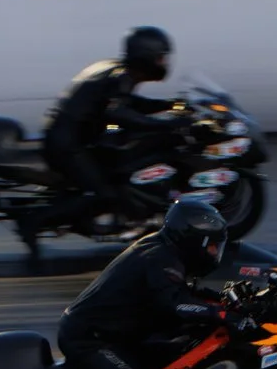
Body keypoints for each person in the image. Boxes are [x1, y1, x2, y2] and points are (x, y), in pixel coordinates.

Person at [47, 198, 235, 369]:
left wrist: (225, 300)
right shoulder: (158, 258)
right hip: (90, 340)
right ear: (193, 240)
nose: (214, 252)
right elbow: (176, 304)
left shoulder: (166, 251)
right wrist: (221, 314)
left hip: (115, 335)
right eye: (212, 245)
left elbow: (181, 293)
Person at [25, 26, 181, 248]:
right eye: (160, 58)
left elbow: (131, 103)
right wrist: (164, 124)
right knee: (103, 193)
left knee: (115, 174)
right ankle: (33, 222)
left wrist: (171, 105)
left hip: (74, 136)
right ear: (145, 57)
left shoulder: (119, 72)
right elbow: (118, 112)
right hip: (67, 143)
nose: (164, 63)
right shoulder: (120, 76)